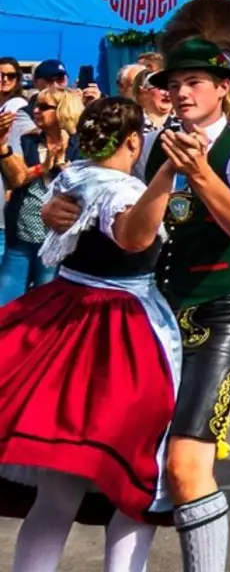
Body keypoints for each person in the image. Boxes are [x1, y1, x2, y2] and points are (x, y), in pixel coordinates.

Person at [41, 0, 230, 572]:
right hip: (146, 315)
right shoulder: (143, 144)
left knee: (187, 466)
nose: (182, 93)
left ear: (225, 88)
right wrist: (56, 211)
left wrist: (197, 173)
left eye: (196, 82)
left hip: (217, 314)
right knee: (132, 458)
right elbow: (90, 194)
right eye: (174, 83)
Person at [0, 97, 173, 572]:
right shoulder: (122, 188)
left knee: (57, 498)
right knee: (135, 487)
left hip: (61, 312)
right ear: (134, 142)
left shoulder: (74, 173)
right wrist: (163, 179)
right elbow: (133, 237)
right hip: (119, 331)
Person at [0, 89, 81, 301]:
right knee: (5, 299)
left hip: (57, 238)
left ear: (63, 110)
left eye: (44, 107)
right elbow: (16, 179)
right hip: (21, 232)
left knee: (45, 302)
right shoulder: (29, 140)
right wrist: (44, 166)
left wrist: (63, 164)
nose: (35, 111)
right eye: (35, 105)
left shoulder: (80, 144)